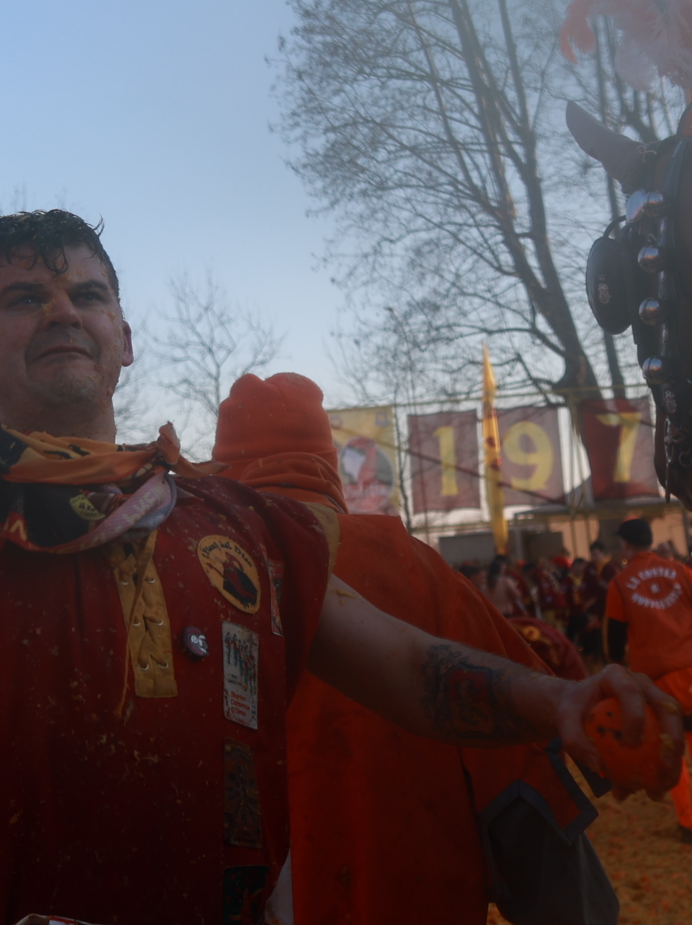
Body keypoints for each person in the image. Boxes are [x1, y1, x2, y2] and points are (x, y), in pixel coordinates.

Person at [0, 133, 677, 925]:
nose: (62, 308)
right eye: (23, 297)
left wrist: (556, 700)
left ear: (125, 338)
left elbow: (405, 665)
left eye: (87, 292)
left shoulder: (245, 525)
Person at [211, 372, 612, 925]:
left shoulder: (195, 576)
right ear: (329, 466)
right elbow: (518, 777)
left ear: (222, 471)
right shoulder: (419, 571)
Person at [603, 516, 692, 840]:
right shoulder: (680, 570)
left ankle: (688, 824)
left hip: (657, 677)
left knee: (671, 742)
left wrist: (618, 668)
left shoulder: (619, 584)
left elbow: (615, 640)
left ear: (626, 544)